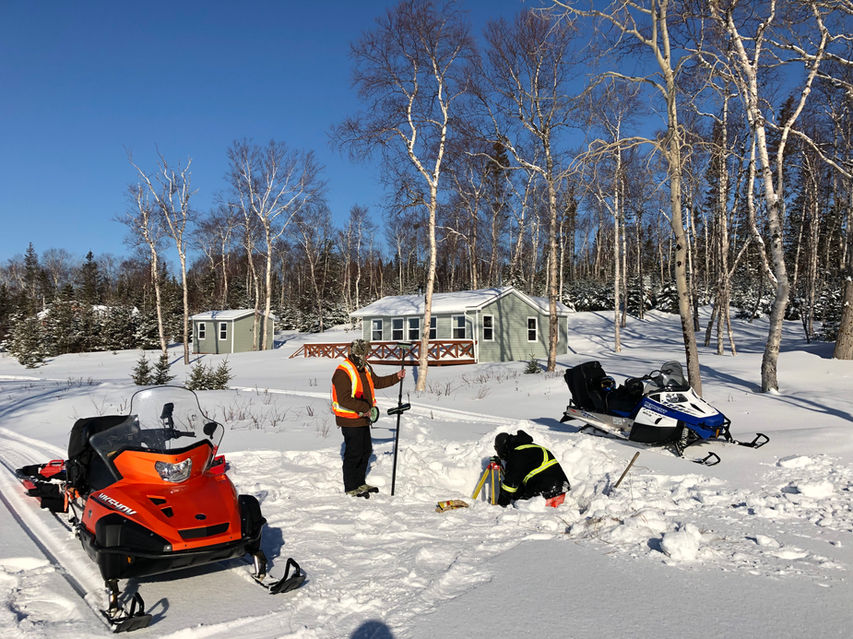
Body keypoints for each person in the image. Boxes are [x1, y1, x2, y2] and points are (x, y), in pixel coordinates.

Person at [331, 339, 405, 498]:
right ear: (355, 353)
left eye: (366, 354)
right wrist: (365, 408)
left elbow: (376, 382)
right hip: (350, 420)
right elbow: (344, 399)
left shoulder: (365, 368)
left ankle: (360, 483)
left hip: (363, 418)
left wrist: (396, 377)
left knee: (365, 451)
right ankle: (351, 486)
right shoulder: (343, 372)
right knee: (354, 453)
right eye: (363, 354)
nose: (366, 357)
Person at [493, 430, 570, 507]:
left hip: (547, 493)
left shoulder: (517, 454)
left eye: (497, 448)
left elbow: (511, 482)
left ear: (502, 447)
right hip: (560, 489)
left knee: (521, 505)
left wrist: (502, 503)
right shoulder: (529, 448)